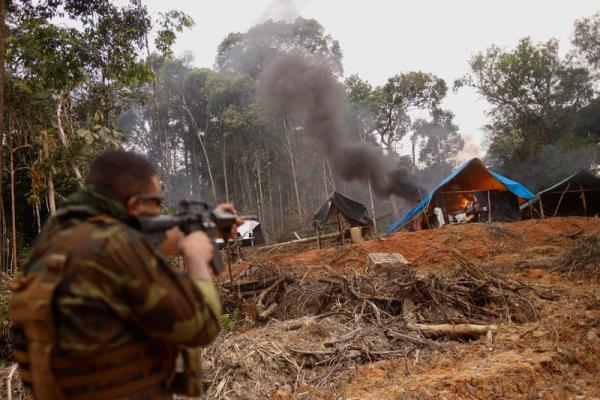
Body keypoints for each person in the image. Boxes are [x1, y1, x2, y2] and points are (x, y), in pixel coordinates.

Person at [9, 150, 237, 399]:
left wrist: (200, 226)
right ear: (135, 205)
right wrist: (196, 256)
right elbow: (202, 325)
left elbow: (136, 255)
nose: (159, 211)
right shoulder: (116, 245)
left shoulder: (52, 246)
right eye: (157, 202)